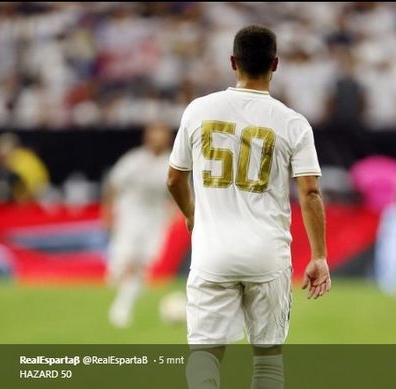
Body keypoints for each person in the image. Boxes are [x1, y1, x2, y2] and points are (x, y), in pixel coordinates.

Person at [166, 25, 330, 389]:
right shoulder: (292, 123)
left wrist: (193, 216)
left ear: (232, 62)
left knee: (206, 356)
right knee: (267, 359)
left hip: (213, 253)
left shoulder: (199, 110)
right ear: (275, 64)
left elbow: (175, 179)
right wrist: (318, 256)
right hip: (267, 256)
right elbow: (311, 193)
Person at [104, 123, 174, 328]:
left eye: (161, 133)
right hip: (130, 215)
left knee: (143, 264)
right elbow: (114, 184)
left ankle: (123, 304)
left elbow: (180, 191)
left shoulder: (172, 162)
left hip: (156, 218)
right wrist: (107, 212)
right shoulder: (134, 160)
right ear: (147, 136)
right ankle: (119, 305)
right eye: (154, 133)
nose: (157, 138)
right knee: (123, 263)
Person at [350, 156, 396, 296]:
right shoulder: (366, 169)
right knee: (391, 248)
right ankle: (387, 281)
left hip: (389, 212)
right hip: (376, 213)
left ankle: (391, 281)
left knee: (394, 248)